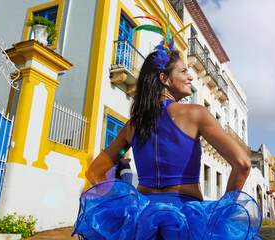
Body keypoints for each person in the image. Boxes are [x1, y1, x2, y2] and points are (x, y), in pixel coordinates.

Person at [72, 2, 262, 239]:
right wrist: (224, 215)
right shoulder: (197, 114)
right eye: (183, 71)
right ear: (164, 78)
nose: (190, 76)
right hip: (187, 221)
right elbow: (243, 163)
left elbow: (94, 173)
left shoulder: (133, 125)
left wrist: (118, 205)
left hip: (141, 222)